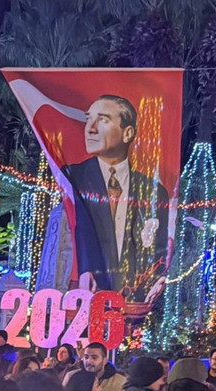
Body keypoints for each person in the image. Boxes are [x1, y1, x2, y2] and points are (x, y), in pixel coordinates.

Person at [60, 95, 169, 296]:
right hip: (85, 293)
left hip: (136, 298)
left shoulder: (153, 191)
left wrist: (157, 280)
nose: (90, 128)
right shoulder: (71, 178)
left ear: (127, 133)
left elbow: (160, 247)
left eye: (103, 120)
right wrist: (84, 269)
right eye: (88, 119)